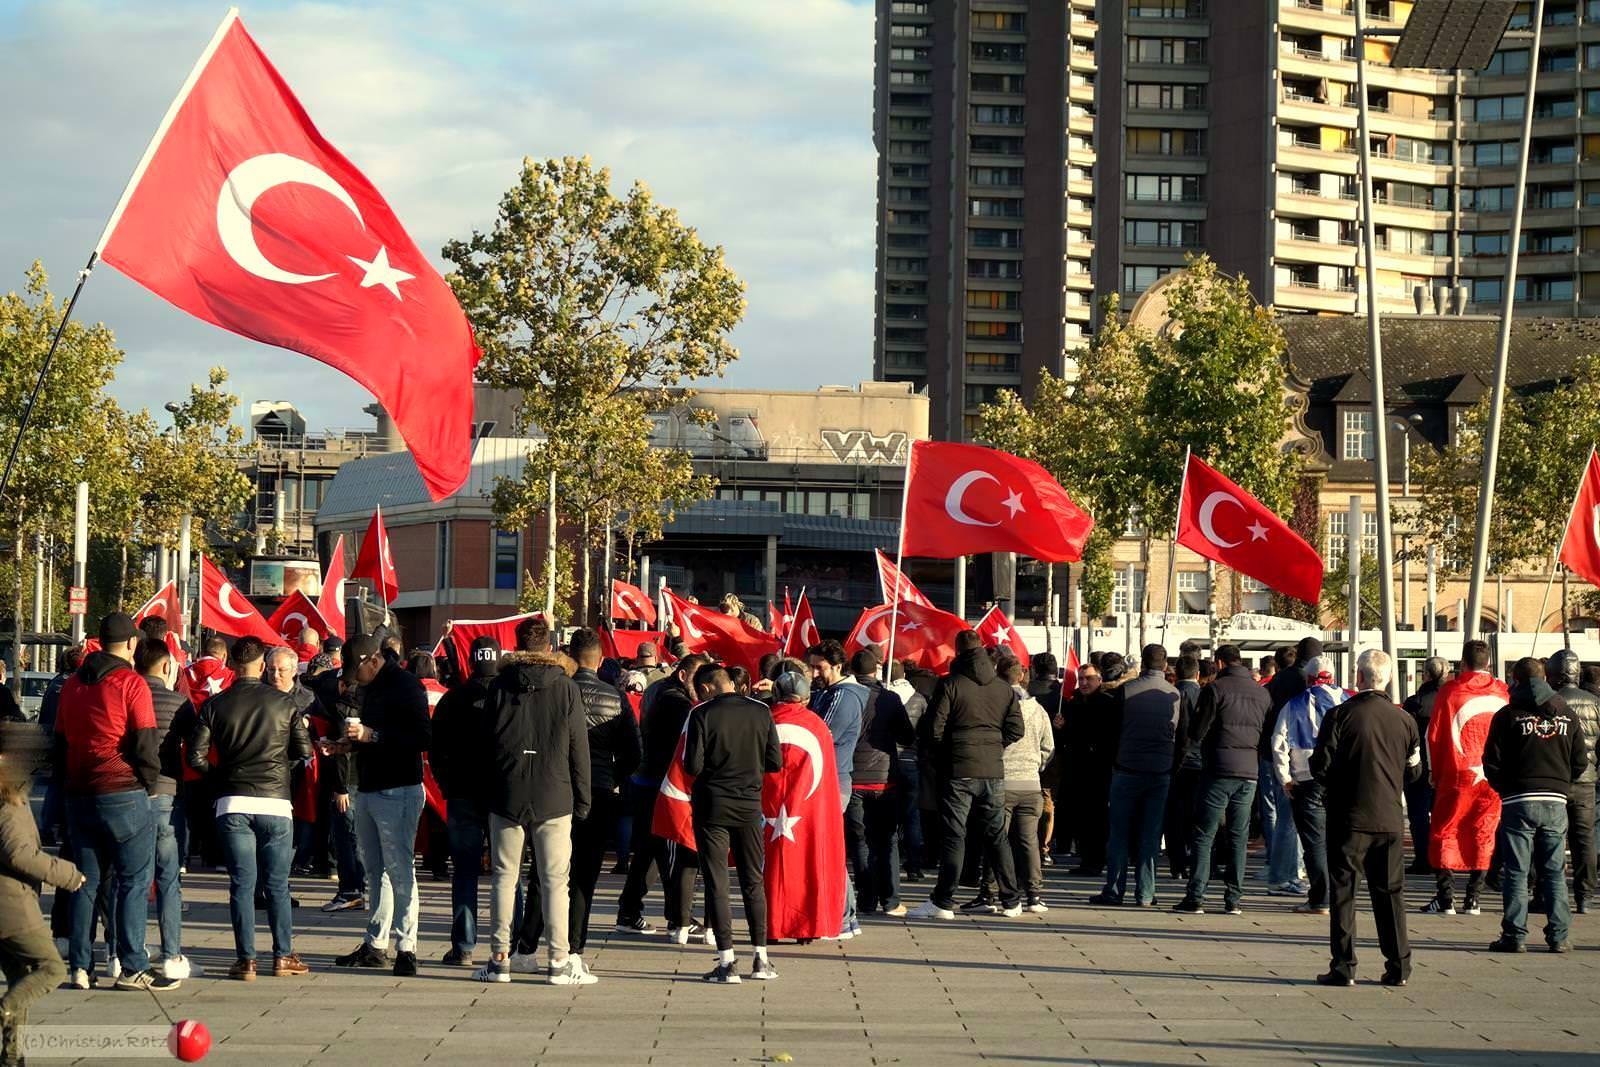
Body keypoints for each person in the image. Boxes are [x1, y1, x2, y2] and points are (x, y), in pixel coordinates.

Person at [54, 612, 174, 992]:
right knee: (133, 881)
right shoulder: (130, 682)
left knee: (85, 882)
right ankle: (132, 965)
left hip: (79, 794)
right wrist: (148, 783)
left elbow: (59, 743)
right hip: (121, 789)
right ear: (131, 644)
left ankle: (79, 966)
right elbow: (144, 741)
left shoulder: (72, 685)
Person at [514, 629, 640, 970]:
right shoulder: (615, 697)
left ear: (569, 655)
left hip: (554, 789)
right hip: (599, 792)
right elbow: (633, 752)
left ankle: (526, 947)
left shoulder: (553, 692)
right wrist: (613, 777)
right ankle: (573, 950)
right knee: (584, 875)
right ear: (600, 660)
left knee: (544, 872)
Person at [474, 635, 594, 986]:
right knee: (557, 881)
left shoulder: (499, 685)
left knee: (503, 878)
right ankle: (558, 961)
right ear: (550, 647)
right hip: (554, 793)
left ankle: (500, 960)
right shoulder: (566, 688)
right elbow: (578, 746)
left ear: (519, 646)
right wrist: (583, 797)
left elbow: (486, 743)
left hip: (507, 793)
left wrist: (486, 794)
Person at [190, 636, 311, 980]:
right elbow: (303, 751)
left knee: (242, 884)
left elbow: (195, 757)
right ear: (261, 666)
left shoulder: (215, 705)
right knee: (277, 885)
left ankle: (246, 960)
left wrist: (221, 779)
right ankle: (283, 955)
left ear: (231, 664)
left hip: (232, 801)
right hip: (275, 801)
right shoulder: (285, 704)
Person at [1310, 649, 1420, 988]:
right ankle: (1398, 966)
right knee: (1390, 894)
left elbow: (1321, 767)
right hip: (1388, 818)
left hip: (1349, 816)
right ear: (1387, 678)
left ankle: (1344, 966)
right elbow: (1415, 772)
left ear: (1358, 677)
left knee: (1344, 892)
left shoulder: (1339, 715)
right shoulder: (1405, 720)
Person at [332, 635, 432, 977]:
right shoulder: (371, 687)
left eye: (353, 671)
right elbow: (374, 736)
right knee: (375, 871)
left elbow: (422, 738)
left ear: (371, 661)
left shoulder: (407, 686)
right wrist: (346, 746)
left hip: (399, 789)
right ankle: (376, 943)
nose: (350, 679)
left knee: (400, 869)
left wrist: (372, 736)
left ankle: (407, 947)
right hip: (371, 786)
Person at [909, 630, 1025, 920]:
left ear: (957, 652)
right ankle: (1012, 900)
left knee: (954, 835)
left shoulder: (950, 684)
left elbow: (934, 729)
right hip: (992, 770)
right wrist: (993, 744)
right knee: (997, 835)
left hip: (958, 770)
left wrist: (946, 753)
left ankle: (943, 901)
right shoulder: (1003, 688)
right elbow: (1016, 729)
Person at [683, 663, 782, 983]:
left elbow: (692, 765)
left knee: (717, 882)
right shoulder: (761, 712)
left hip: (712, 806)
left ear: (709, 687)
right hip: (749, 805)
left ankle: (727, 962)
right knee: (753, 882)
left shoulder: (702, 714)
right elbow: (774, 761)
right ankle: (761, 958)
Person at [1483, 657, 1588, 954]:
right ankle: (1559, 936)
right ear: (1545, 678)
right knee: (1554, 871)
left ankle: (1514, 935)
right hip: (1555, 799)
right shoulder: (1566, 715)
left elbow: (1491, 760)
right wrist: (1561, 784)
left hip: (1519, 799)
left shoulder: (1507, 715)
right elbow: (1580, 760)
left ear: (1515, 680)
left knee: (1517, 870)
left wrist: (1505, 789)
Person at [0, 722, 84, 1065]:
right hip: (11, 906)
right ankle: (3, 1013)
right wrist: (66, 874)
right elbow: (18, 853)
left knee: (21, 976)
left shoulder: (12, 795)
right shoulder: (8, 803)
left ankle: (10, 1055)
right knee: (52, 969)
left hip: (9, 903)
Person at [617, 652, 712, 941]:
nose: (703, 686)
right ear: (683, 676)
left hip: (647, 779)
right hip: (661, 783)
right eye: (699, 680)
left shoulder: (659, 688)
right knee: (670, 853)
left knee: (648, 850)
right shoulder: (678, 702)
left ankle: (630, 911)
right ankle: (676, 916)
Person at [1174, 644, 1271, 916]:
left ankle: (1196, 896)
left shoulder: (1215, 690)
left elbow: (1197, 730)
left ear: (1218, 664)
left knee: (1205, 834)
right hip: (1249, 772)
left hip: (1218, 770)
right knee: (1239, 836)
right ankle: (1234, 899)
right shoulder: (1262, 693)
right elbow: (1267, 733)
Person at [430, 636, 504, 966]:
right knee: (508, 871)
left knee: (464, 871)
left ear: (471, 661)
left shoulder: (453, 698)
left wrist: (448, 785)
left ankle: (463, 945)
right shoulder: (508, 697)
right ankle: (509, 942)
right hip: (501, 794)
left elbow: (435, 749)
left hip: (462, 793)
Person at [1092, 644, 1182, 908]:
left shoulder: (1125, 691)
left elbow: (1109, 733)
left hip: (1127, 769)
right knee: (1150, 834)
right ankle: (1145, 892)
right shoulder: (1175, 695)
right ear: (1164, 666)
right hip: (1161, 771)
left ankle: (1114, 889)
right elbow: (1182, 737)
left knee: (1119, 833)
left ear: (1142, 663)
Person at [1424, 640, 1507, 917]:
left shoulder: (1451, 692)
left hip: (1457, 771)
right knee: (1483, 830)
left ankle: (1445, 897)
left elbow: (1433, 735)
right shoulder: (1503, 693)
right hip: (1492, 776)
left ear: (1463, 663)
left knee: (1445, 829)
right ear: (1489, 664)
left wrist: (1434, 771)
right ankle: (1474, 897)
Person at [135, 638, 197, 980]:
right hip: (167, 794)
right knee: (168, 878)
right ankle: (172, 954)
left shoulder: (125, 696)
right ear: (165, 666)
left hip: (129, 795)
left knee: (131, 879)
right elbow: (197, 742)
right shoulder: (178, 702)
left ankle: (124, 951)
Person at [1271, 655, 1347, 917]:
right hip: (1341, 780)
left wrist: (1285, 778)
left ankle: (1320, 897)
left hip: (1306, 778)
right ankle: (1340, 895)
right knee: (1339, 841)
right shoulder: (1348, 700)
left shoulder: (1294, 705)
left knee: (1314, 843)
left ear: (1308, 678)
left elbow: (1278, 743)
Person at [845, 649, 914, 918]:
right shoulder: (890, 698)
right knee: (887, 840)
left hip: (853, 777)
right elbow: (907, 736)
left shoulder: (845, 697)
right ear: (876, 671)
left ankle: (866, 898)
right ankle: (891, 899)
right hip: (884, 779)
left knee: (860, 841)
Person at [806, 640, 867, 937]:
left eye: (820, 667)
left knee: (829, 850)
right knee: (829, 849)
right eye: (812, 666)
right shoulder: (830, 693)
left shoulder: (843, 697)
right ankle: (846, 917)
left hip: (833, 779)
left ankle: (844, 916)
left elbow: (819, 735)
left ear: (838, 666)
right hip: (831, 777)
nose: (814, 673)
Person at [994, 655, 1053, 912]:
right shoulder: (1038, 710)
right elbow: (1048, 746)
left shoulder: (996, 705)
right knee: (1029, 840)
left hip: (1003, 780)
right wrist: (1035, 765)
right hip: (1030, 782)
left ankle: (993, 893)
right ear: (1021, 677)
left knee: (998, 839)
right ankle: (1034, 894)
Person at [1547, 650, 1599, 913]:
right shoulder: (1594, 702)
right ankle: (1585, 895)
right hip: (1587, 780)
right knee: (1584, 839)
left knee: (1551, 837)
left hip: (1554, 779)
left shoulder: (1551, 702)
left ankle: (1549, 892)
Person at [1259, 644, 1307, 897]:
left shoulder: (1274, 683)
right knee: (1288, 819)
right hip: (1290, 756)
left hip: (1270, 754)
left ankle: (1278, 867)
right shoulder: (1300, 683)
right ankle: (1284, 873)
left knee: (1275, 813)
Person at [1402, 657, 1447, 874]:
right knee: (1442, 814)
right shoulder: (1451, 699)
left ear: (1426, 675)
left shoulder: (1414, 702)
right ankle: (1442, 857)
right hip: (1445, 764)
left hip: (1419, 765)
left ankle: (1423, 859)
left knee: (1418, 815)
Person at [1164, 653, 1204, 881]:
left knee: (1175, 817)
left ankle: (1177, 864)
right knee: (1197, 817)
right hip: (1200, 763)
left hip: (1176, 763)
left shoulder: (1172, 695)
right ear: (1197, 674)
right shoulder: (1206, 694)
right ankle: (1196, 860)